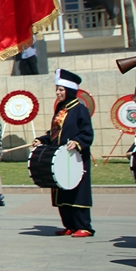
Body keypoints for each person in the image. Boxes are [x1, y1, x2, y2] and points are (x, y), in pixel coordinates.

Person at [33, 69, 94, 236]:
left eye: (61, 90)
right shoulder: (61, 108)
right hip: (60, 156)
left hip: (75, 157)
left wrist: (78, 142)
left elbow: (87, 133)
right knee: (62, 189)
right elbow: (55, 133)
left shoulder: (79, 109)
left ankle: (84, 226)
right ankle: (70, 225)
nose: (58, 93)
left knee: (77, 190)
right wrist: (42, 140)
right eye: (57, 89)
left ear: (69, 90)